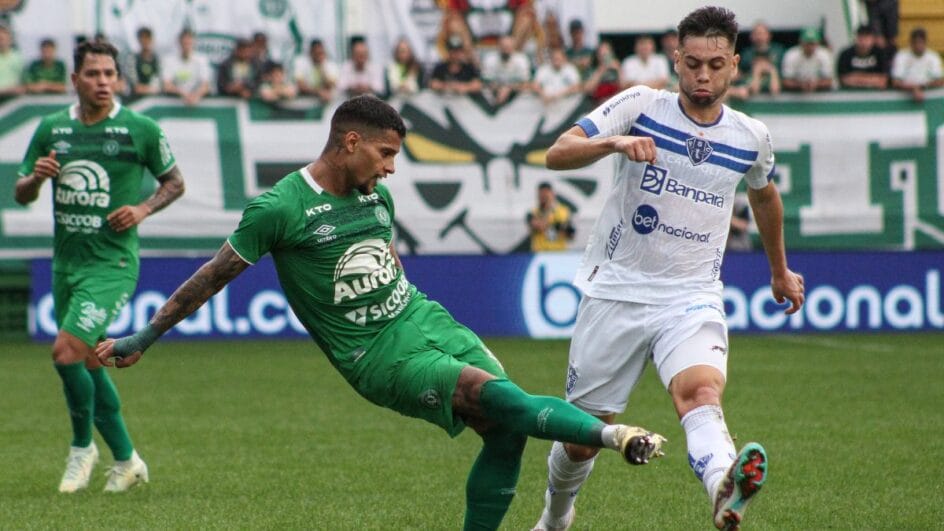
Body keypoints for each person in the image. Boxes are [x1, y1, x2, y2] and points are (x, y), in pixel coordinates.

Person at [93, 94, 665, 530]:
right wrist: (141, 337)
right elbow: (210, 278)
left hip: (421, 317)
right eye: (385, 153)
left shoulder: (377, 197)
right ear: (348, 141)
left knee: (505, 432)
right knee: (499, 400)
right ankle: (616, 438)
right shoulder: (279, 208)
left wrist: (407, 306)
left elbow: (387, 260)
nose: (392, 168)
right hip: (377, 356)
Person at [531, 6, 805, 531]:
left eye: (716, 64)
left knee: (700, 394)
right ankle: (555, 516)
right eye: (694, 63)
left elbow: (764, 196)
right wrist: (613, 143)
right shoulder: (641, 105)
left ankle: (724, 487)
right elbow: (557, 153)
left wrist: (779, 270)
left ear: (735, 66)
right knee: (583, 434)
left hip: (692, 295)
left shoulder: (750, 136)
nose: (704, 76)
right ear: (676, 59)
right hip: (617, 291)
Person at [13, 40, 185, 493]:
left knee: (65, 351)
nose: (104, 82)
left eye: (110, 73)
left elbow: (174, 183)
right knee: (89, 360)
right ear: (75, 80)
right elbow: (20, 192)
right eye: (94, 74)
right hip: (66, 263)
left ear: (119, 79)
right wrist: (36, 179)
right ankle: (127, 460)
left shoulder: (139, 128)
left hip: (113, 262)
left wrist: (144, 209)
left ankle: (80, 448)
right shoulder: (51, 129)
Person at [161, 28, 212, 107]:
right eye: (184, 42)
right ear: (179, 42)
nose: (186, 45)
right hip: (175, 105)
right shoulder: (169, 60)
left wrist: (196, 95)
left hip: (197, 103)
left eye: (189, 42)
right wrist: (184, 94)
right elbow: (166, 85)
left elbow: (206, 85)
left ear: (193, 42)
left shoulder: (202, 60)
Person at [891, 27, 943, 103]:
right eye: (915, 42)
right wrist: (913, 89)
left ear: (926, 42)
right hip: (903, 99)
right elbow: (896, 82)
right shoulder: (901, 56)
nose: (918, 45)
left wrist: (921, 87)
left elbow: (940, 80)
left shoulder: (933, 57)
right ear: (910, 43)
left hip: (929, 98)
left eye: (921, 42)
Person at [481, 34, 532, 105]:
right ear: (498, 47)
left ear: (514, 47)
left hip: (517, 96)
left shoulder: (522, 59)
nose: (506, 50)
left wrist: (508, 88)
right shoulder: (490, 59)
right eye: (503, 47)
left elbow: (526, 83)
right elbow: (485, 81)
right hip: (493, 94)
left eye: (508, 47)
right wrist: (500, 88)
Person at [781, 27, 834, 92]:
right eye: (807, 43)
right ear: (801, 42)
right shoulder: (791, 55)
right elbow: (786, 81)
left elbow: (829, 81)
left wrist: (816, 84)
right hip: (796, 93)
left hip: (820, 93)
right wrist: (801, 85)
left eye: (812, 44)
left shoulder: (824, 54)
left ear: (818, 43)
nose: (810, 47)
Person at [837, 25, 890, 90]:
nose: (864, 42)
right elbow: (844, 80)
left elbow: (883, 81)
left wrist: (856, 77)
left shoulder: (880, 54)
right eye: (861, 38)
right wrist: (873, 78)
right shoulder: (845, 54)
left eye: (867, 38)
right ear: (856, 38)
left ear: (873, 39)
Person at [526, 181, 574, 252]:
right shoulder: (533, 212)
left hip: (559, 254)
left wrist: (555, 226)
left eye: (546, 194)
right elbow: (539, 226)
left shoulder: (564, 211)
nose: (544, 197)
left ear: (552, 194)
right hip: (539, 254)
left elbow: (570, 235)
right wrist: (557, 225)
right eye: (541, 194)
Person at [293, 38, 339, 104]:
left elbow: (330, 85)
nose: (319, 56)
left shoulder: (331, 65)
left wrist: (322, 67)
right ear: (310, 52)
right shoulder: (301, 62)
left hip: (326, 102)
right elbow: (300, 85)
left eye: (321, 53)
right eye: (316, 53)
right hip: (305, 101)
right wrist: (318, 92)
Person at [129, 27, 160, 97]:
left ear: (152, 40)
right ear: (139, 40)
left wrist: (152, 89)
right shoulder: (132, 59)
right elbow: (136, 87)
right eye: (142, 38)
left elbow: (158, 85)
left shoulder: (157, 60)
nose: (145, 41)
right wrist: (150, 89)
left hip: (154, 99)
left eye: (147, 38)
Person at [0, 24, 24, 97]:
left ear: (9, 39)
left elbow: (24, 81)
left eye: (2, 39)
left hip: (13, 101)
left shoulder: (18, 58)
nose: (1, 42)